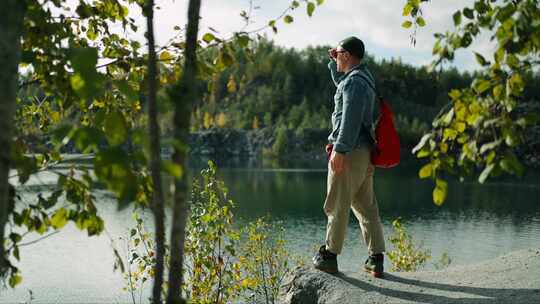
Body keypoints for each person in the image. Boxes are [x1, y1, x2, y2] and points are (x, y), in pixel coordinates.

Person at [312, 36, 386, 278]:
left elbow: (350, 118)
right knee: (366, 206)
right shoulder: (363, 78)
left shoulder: (354, 83)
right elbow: (341, 84)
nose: (336, 56)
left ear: (347, 55)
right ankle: (376, 259)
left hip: (349, 151)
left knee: (337, 204)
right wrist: (334, 63)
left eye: (339, 53)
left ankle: (329, 256)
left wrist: (340, 150)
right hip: (364, 153)